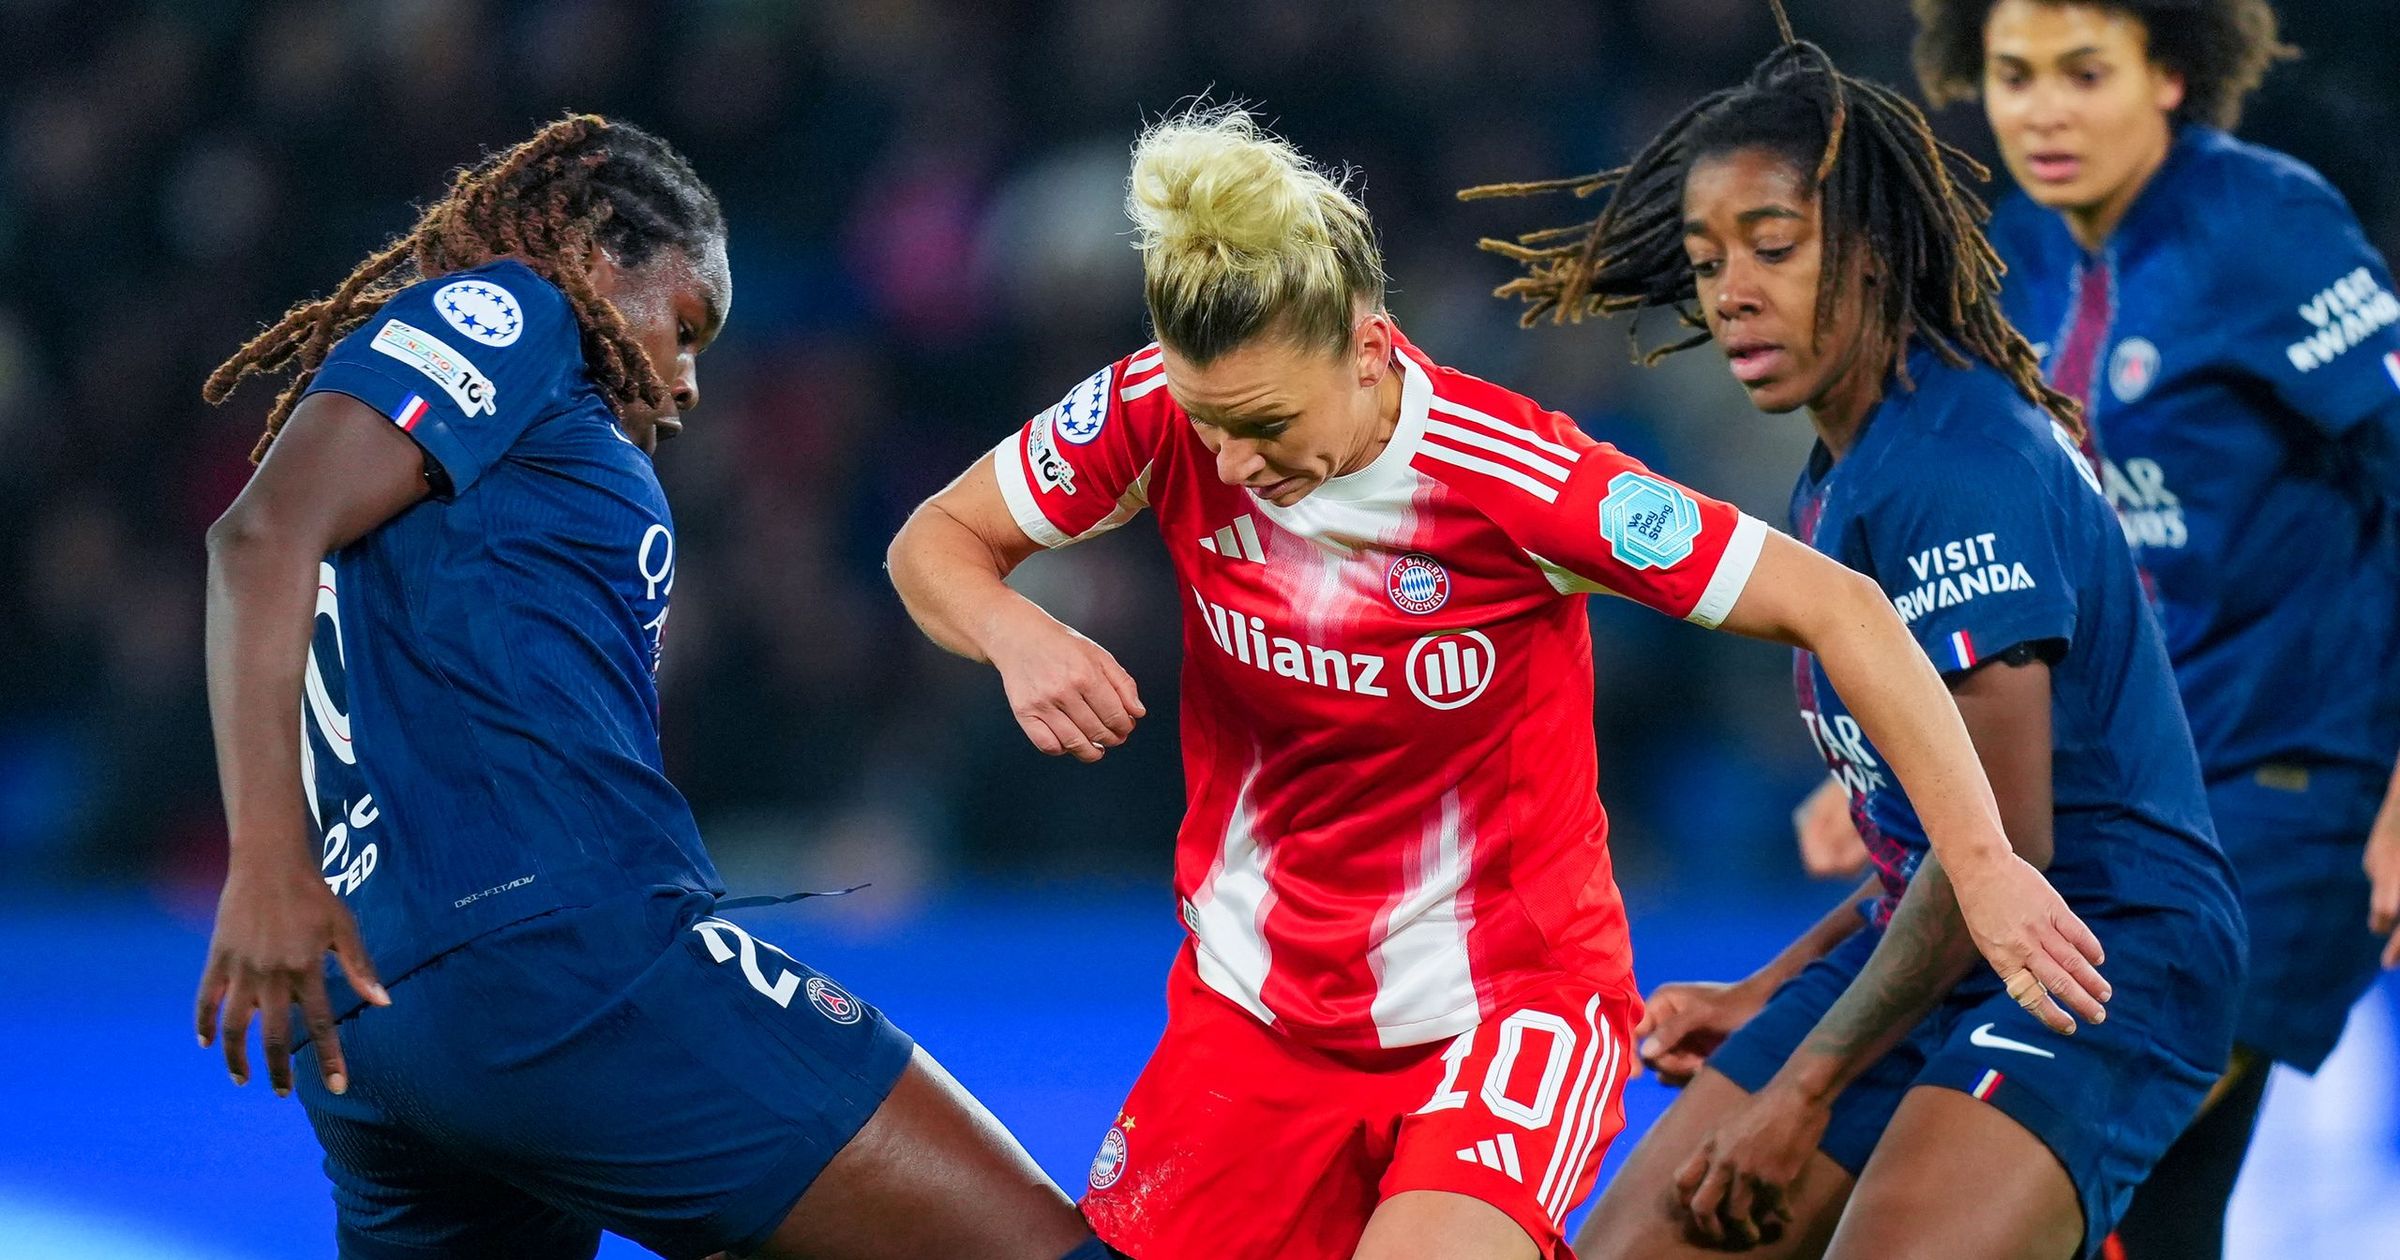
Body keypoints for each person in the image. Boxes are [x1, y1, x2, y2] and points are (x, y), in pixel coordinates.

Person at [886, 102, 2110, 1260]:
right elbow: (932, 543)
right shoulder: (1159, 407)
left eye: (1260, 423)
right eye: (1207, 423)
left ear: (1369, 350)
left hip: (1506, 1012)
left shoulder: (1515, 478)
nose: (1226, 460)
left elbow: (1841, 607)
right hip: (1254, 1010)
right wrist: (1013, 632)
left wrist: (1987, 863)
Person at [193, 114, 1114, 1260]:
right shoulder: (511, 311)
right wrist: (264, 869)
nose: (683, 385)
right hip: (559, 961)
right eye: (685, 327)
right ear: (591, 252)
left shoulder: (458, 463)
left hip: (379, 1022)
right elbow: (254, 540)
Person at [1465, 15, 2241, 1259]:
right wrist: (1765, 998)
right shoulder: (1843, 466)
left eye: (1773, 246)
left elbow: (2008, 846)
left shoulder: (1957, 467)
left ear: (1874, 252)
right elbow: (1922, 847)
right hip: (1933, 939)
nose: (1732, 294)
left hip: (2097, 950)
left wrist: (1806, 1085)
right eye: (1709, 259)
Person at [1907, 2, 2400, 1253]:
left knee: (2054, 1154)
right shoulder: (2013, 250)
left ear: (2171, 74)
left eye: (2085, 74)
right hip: (2130, 806)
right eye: (2014, 77)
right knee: (2151, 1207)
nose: (2045, 111)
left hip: (2287, 798)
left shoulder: (2267, 224)